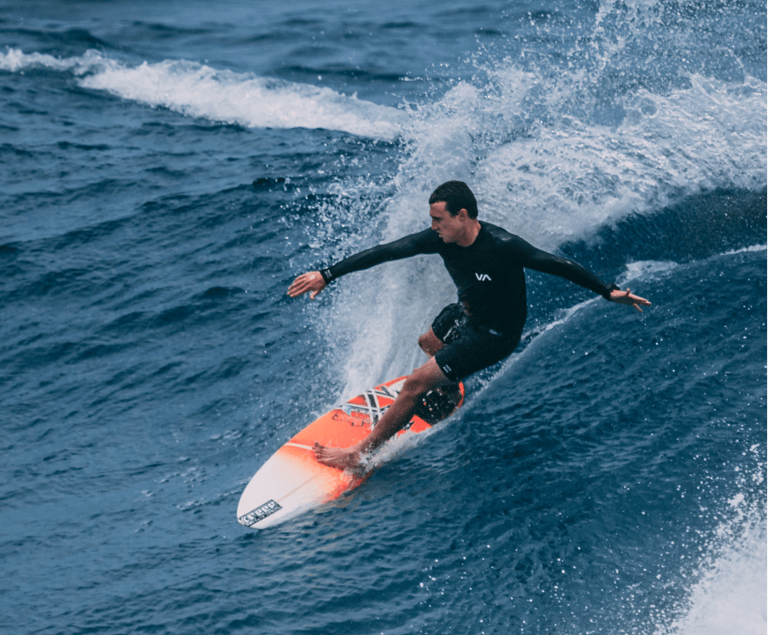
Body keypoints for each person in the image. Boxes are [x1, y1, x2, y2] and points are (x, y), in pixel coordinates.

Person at [288, 181, 650, 471]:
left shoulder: (503, 245)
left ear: (462, 216)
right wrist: (327, 274)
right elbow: (386, 251)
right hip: (467, 313)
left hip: (496, 335)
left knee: (415, 384)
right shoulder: (441, 240)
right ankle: (447, 390)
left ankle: (359, 454)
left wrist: (608, 291)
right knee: (428, 342)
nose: (433, 227)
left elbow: (556, 264)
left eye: (438, 219)